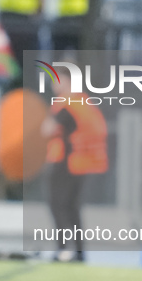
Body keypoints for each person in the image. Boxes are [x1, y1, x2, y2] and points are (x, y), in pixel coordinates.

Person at [41, 71, 108, 262]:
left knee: (58, 206)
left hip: (65, 161)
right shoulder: (85, 102)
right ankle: (78, 250)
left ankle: (64, 249)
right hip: (83, 163)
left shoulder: (66, 103)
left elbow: (47, 129)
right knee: (72, 207)